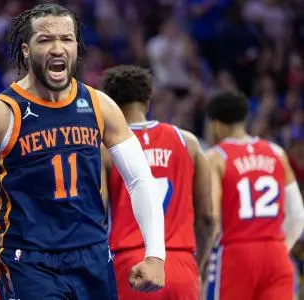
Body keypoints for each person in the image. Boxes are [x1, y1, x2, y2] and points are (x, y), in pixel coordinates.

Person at [0, 4, 165, 300]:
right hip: (28, 260)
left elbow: (139, 180)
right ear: (25, 50)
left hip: (92, 255)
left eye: (66, 39)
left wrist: (156, 255)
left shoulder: (100, 106)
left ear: (76, 47)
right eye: (45, 40)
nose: (58, 47)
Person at [100, 65, 217, 300]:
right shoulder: (189, 142)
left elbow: (97, 213)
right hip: (181, 264)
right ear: (147, 100)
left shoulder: (105, 149)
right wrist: (199, 266)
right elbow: (207, 216)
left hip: (130, 265)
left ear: (110, 103)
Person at [204, 90, 304, 300]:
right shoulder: (277, 152)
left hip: (236, 253)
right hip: (276, 254)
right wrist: (277, 248)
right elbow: (297, 215)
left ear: (215, 124)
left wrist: (200, 261)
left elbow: (210, 217)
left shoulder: (216, 157)